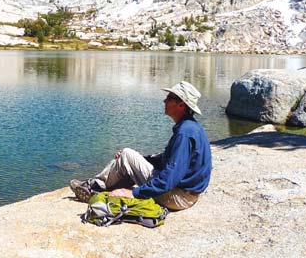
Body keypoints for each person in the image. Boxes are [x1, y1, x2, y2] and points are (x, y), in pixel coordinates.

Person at [70, 81, 212, 211]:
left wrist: (134, 192)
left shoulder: (184, 133)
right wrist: (139, 161)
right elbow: (170, 161)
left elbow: (170, 177)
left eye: (169, 98)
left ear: (181, 105)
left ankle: (93, 188)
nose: (164, 101)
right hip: (187, 195)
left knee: (126, 154)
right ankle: (100, 187)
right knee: (128, 158)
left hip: (178, 197)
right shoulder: (191, 127)